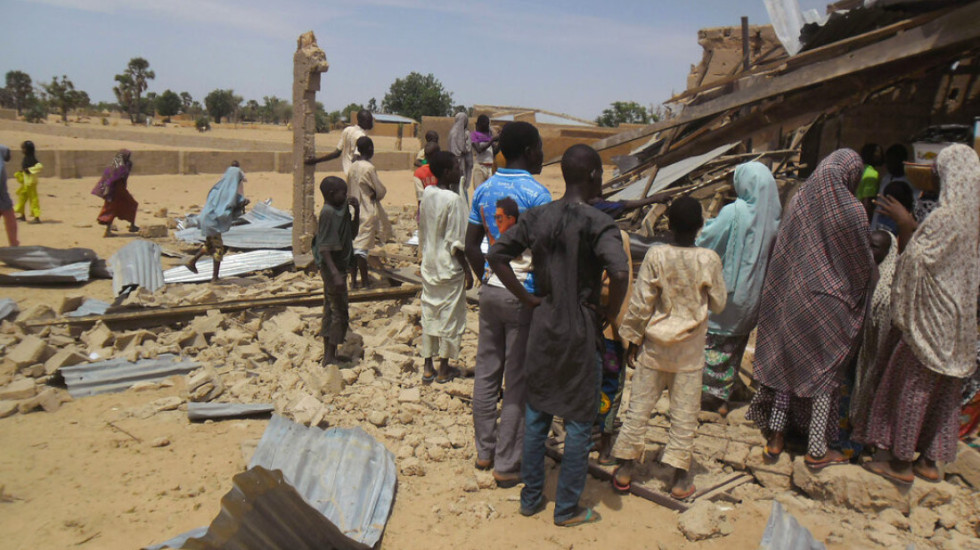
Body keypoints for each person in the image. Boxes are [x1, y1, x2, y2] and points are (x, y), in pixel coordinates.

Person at [488, 144, 629, 527]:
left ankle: (531, 498)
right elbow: (618, 272)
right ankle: (567, 508)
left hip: (544, 323)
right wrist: (609, 311)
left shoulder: (538, 216)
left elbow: (496, 254)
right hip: (581, 329)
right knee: (580, 420)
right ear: (596, 175)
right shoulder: (600, 224)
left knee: (538, 414)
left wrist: (528, 298)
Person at [855, 144, 980, 484]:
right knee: (945, 392)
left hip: (931, 320)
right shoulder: (975, 219)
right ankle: (928, 462)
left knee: (912, 384)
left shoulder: (945, 218)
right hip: (961, 324)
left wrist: (906, 225)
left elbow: (913, 261)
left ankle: (898, 463)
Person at [747, 149, 875, 469]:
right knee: (824, 376)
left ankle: (775, 438)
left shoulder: (799, 199)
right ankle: (816, 447)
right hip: (829, 306)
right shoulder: (853, 210)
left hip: (792, 298)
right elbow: (861, 264)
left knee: (784, 369)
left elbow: (784, 247)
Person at [610, 197, 727, 500]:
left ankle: (624, 468)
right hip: (689, 353)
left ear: (669, 226)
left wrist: (632, 340)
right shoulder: (709, 259)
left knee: (638, 410)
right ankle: (680, 478)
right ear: (701, 226)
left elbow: (641, 302)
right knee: (684, 416)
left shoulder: (656, 255)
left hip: (654, 347)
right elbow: (719, 302)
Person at [464, 121, 551, 488]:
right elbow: (544, 254)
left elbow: (471, 244)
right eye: (541, 149)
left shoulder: (484, 189)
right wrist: (537, 297)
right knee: (517, 380)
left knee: (486, 371)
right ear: (530, 151)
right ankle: (506, 462)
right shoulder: (538, 195)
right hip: (523, 295)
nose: (543, 155)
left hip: (491, 292)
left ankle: (484, 451)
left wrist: (486, 276)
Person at [696, 162, 781, 416]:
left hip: (728, 292)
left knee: (713, 343)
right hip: (754, 295)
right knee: (734, 344)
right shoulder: (775, 216)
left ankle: (712, 398)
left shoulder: (735, 211)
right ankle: (726, 391)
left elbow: (707, 241)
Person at [418, 150, 474, 383]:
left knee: (430, 313)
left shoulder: (428, 193)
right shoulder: (454, 200)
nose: (461, 170)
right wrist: (469, 271)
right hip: (448, 267)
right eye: (456, 167)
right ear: (446, 172)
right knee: (450, 317)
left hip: (429, 263)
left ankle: (428, 367)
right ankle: (443, 369)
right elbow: (457, 243)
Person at [847, 230, 897, 440]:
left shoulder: (889, 286)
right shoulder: (857, 272)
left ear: (888, 252)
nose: (868, 251)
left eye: (875, 247)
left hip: (871, 359)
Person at [313, 176, 359, 366]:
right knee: (339, 312)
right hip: (333, 268)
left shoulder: (341, 210)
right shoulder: (328, 213)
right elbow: (325, 248)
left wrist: (357, 211)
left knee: (331, 309)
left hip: (339, 267)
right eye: (343, 193)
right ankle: (330, 356)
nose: (346, 196)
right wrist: (335, 275)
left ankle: (329, 354)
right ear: (332, 195)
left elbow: (352, 233)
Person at [185, 165, 250, 281]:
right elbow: (228, 205)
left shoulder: (217, 188)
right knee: (218, 249)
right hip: (212, 221)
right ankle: (215, 277)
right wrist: (242, 203)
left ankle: (192, 262)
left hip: (205, 218)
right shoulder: (229, 192)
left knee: (209, 245)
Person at [347, 136, 392, 288]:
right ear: (371, 149)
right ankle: (365, 282)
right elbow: (380, 190)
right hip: (366, 209)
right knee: (361, 249)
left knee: (354, 245)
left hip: (353, 209)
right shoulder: (369, 168)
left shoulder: (353, 166)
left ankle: (353, 281)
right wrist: (375, 193)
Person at [306, 109, 374, 176]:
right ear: (361, 121)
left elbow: (336, 153)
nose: (371, 123)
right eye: (369, 121)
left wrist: (316, 160)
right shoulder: (362, 136)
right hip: (358, 176)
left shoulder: (347, 130)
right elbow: (357, 158)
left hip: (348, 174)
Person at [95, 150, 140, 237]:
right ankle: (108, 231)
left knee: (129, 205)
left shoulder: (120, 164)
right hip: (115, 191)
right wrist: (107, 191)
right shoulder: (118, 167)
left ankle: (132, 226)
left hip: (119, 190)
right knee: (113, 209)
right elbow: (111, 179)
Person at [13, 140, 42, 224]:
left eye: (24, 148)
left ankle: (37, 217)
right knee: (22, 197)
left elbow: (39, 166)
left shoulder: (32, 159)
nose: (22, 150)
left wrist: (29, 170)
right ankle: (22, 215)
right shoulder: (26, 158)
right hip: (26, 183)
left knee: (33, 200)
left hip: (31, 183)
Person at [855, 143, 883, 221]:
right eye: (878, 152)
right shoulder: (872, 175)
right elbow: (867, 203)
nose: (881, 155)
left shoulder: (858, 169)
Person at [470, 115, 498, 190]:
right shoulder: (474, 135)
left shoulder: (489, 135)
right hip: (480, 167)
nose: (487, 126)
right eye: (486, 124)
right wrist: (491, 141)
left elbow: (494, 152)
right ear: (480, 125)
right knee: (479, 191)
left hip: (490, 168)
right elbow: (479, 149)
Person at [448, 112, 472, 201]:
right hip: (461, 163)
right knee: (462, 186)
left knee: (453, 186)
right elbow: (467, 149)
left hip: (451, 162)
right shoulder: (466, 133)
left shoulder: (451, 132)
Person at [413, 141, 440, 211]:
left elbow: (420, 196)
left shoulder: (418, 173)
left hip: (424, 209)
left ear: (424, 155)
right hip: (440, 207)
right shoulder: (443, 170)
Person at [0, 145, 18, 246]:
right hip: (2, 194)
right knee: (9, 217)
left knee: (10, 217)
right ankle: (14, 244)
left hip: (3, 195)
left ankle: (14, 245)